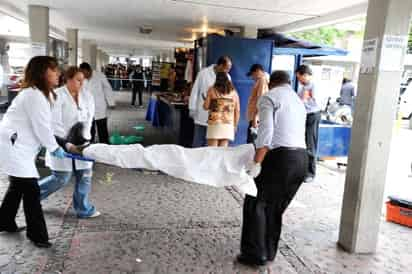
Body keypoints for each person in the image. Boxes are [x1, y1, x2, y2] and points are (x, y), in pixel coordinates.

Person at [238, 71, 307, 266]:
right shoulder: (297, 100)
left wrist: (256, 163)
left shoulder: (269, 97)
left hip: (280, 159)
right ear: (289, 82)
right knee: (274, 207)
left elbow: (266, 134)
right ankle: (268, 251)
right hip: (301, 160)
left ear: (272, 83)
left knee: (255, 201)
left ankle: (254, 254)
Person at [0, 56, 67, 248]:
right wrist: (54, 148)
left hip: (17, 146)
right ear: (43, 72)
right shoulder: (33, 95)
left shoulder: (41, 94)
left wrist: (64, 142)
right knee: (31, 190)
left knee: (17, 187)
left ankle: (4, 221)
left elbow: (51, 125)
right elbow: (42, 127)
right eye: (54, 70)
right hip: (14, 147)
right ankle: (38, 235)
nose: (58, 73)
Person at [38, 66, 100, 219]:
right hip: (62, 142)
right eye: (78, 80)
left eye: (83, 80)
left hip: (83, 142)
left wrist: (86, 139)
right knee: (61, 178)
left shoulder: (87, 96)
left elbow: (90, 119)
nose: (81, 83)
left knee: (85, 175)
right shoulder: (57, 96)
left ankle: (83, 209)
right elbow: (53, 124)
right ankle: (32, 197)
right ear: (68, 79)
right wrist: (64, 144)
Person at [189, 56, 232, 147]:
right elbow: (195, 90)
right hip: (202, 113)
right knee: (198, 141)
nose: (228, 71)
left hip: (217, 117)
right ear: (220, 65)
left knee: (210, 144)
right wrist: (192, 108)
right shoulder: (203, 73)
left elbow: (229, 97)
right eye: (227, 68)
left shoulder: (228, 77)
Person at [80, 62, 116, 144]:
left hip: (99, 107)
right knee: (89, 128)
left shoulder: (100, 76)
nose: (83, 75)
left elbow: (107, 89)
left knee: (102, 128)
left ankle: (105, 145)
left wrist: (111, 102)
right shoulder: (81, 79)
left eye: (84, 73)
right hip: (87, 108)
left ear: (89, 70)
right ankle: (89, 145)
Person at [296, 64, 320, 183]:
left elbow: (315, 102)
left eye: (300, 77)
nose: (299, 80)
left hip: (312, 115)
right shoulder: (303, 87)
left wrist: (304, 100)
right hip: (304, 116)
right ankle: (303, 171)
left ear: (305, 75)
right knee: (303, 144)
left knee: (310, 144)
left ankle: (311, 173)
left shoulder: (313, 86)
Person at [203, 72, 240, 147]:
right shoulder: (234, 92)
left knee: (212, 151)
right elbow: (237, 110)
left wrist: (208, 102)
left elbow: (206, 107)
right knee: (222, 152)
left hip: (214, 123)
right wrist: (235, 125)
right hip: (228, 124)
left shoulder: (212, 90)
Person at [246, 64, 269, 143]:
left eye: (253, 75)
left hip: (256, 117)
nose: (252, 78)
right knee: (254, 140)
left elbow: (261, 99)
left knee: (252, 142)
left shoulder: (262, 80)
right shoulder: (262, 79)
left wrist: (256, 117)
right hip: (257, 116)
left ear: (258, 71)